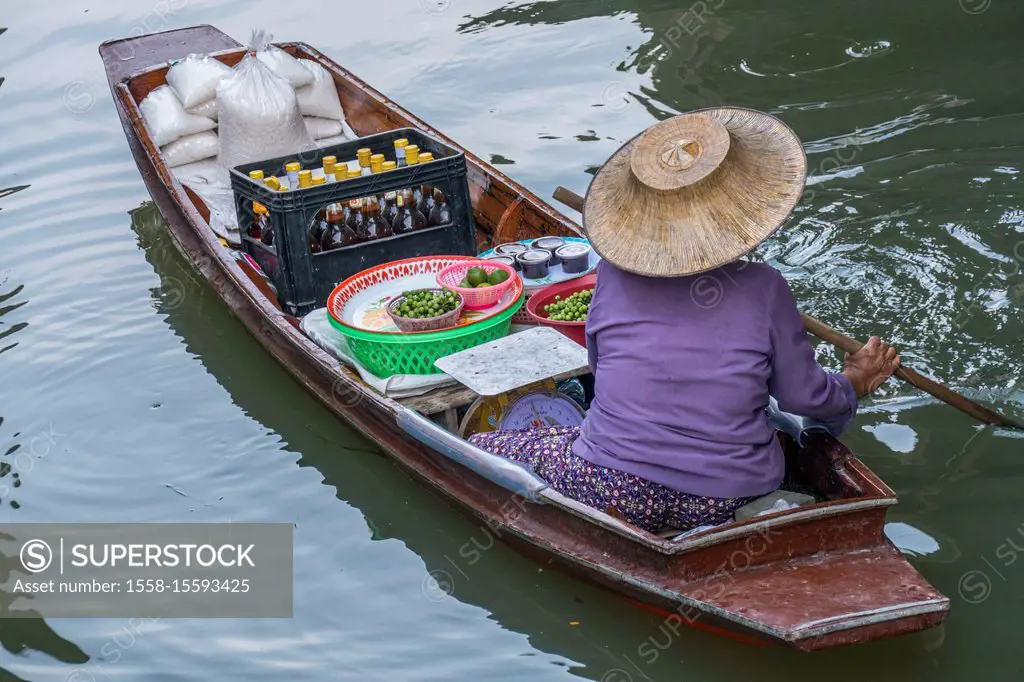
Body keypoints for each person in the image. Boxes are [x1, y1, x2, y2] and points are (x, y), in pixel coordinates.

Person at [470, 107, 900, 533]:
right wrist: (853, 383)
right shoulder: (764, 287)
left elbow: (601, 369)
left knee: (481, 447)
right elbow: (804, 398)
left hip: (613, 486)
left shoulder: (612, 275)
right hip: (729, 494)